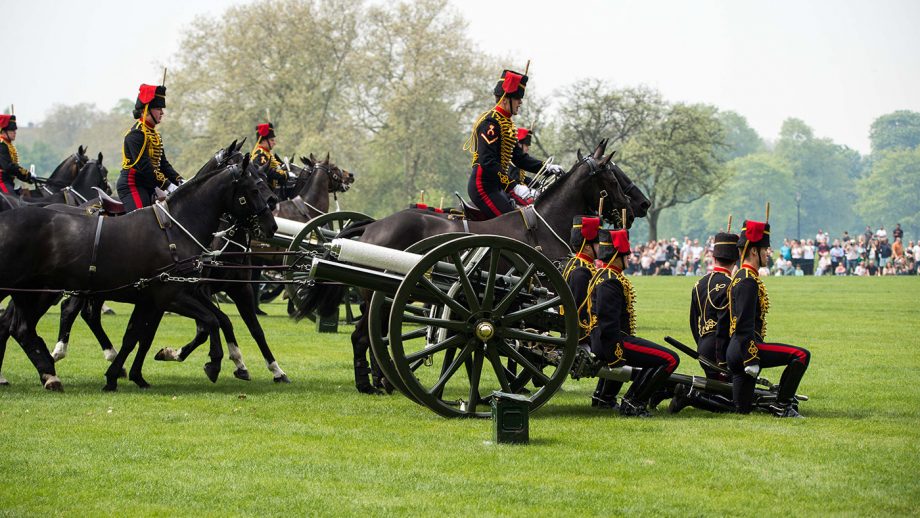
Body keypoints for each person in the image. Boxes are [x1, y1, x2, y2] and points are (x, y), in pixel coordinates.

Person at [587, 229, 680, 416]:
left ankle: (604, 397)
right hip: (612, 341)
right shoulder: (610, 281)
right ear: (616, 256)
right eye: (625, 253)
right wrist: (616, 356)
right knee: (670, 359)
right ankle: (633, 402)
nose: (629, 256)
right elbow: (608, 324)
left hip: (608, 339)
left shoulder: (605, 275)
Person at [727, 220, 811, 417]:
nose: (768, 253)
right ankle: (782, 406)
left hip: (735, 349)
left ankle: (693, 397)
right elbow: (744, 324)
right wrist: (751, 358)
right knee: (801, 355)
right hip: (746, 349)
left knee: (741, 410)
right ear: (754, 251)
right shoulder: (748, 280)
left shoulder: (740, 275)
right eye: (765, 249)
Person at [465, 69, 563, 218]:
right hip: (483, 186)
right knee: (513, 222)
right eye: (517, 98)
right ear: (505, 99)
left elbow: (519, 158)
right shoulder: (490, 123)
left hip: (496, 186)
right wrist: (513, 186)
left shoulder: (507, 124)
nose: (520, 102)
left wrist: (546, 168)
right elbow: (487, 161)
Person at [561, 216, 613, 408]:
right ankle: (605, 398)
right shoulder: (582, 271)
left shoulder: (575, 264)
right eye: (597, 243)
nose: (601, 247)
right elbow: (580, 310)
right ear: (588, 246)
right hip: (582, 337)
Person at [116, 83, 183, 211]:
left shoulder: (156, 135)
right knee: (141, 220)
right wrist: (168, 185)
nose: (162, 112)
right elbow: (145, 167)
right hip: (133, 185)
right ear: (146, 110)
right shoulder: (136, 134)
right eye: (158, 108)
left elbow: (163, 165)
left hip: (150, 184)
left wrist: (179, 180)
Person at [0, 113, 34, 195]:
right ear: (3, 131)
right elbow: (9, 167)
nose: (15, 132)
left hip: (8, 181)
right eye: (12, 130)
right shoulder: (1, 145)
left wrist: (28, 177)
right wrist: (27, 175)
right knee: (13, 200)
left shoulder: (7, 144)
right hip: (2, 182)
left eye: (15, 130)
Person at [251, 122, 288, 196]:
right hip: (264, 194)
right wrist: (285, 174)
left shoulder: (266, 153)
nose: (274, 143)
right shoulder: (260, 155)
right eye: (272, 140)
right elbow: (268, 172)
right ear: (264, 141)